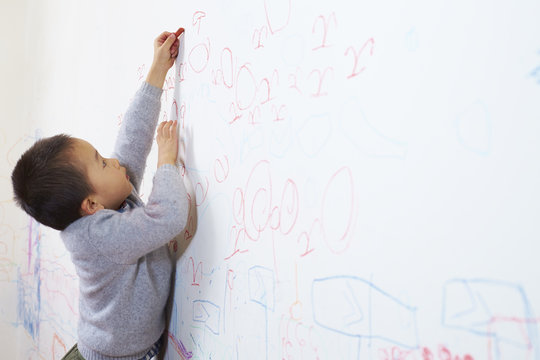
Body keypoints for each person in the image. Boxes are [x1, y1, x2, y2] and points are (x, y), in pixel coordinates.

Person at [11, 30, 188, 360]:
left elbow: (131, 140)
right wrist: (166, 161)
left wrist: (158, 70)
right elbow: (169, 217)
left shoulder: (106, 198)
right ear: (90, 204)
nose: (115, 161)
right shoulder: (99, 235)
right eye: (103, 163)